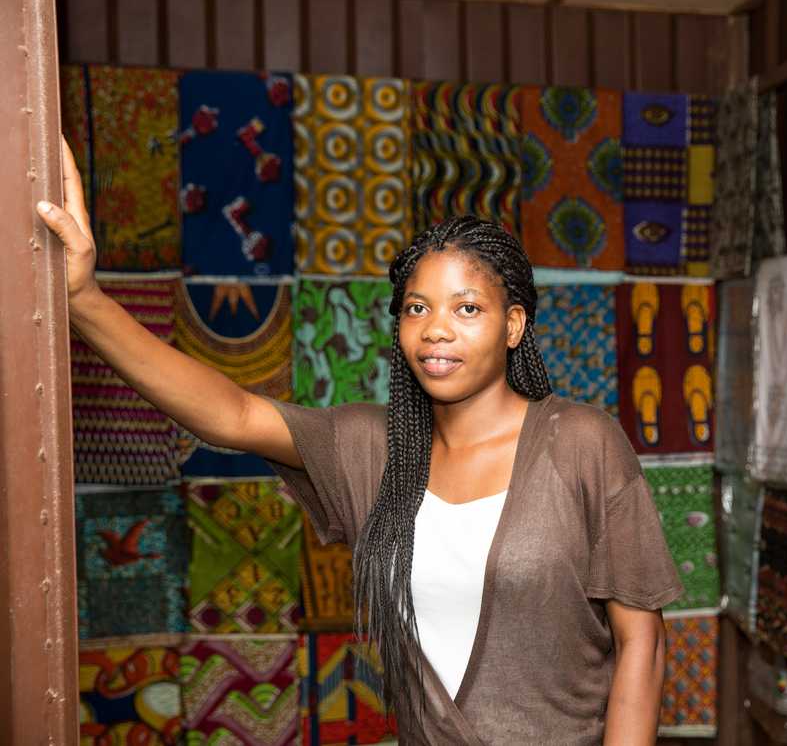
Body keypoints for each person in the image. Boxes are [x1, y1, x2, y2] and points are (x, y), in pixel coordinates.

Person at [39, 141, 683, 744]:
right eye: (415, 308)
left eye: (466, 309)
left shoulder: (580, 443)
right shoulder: (373, 449)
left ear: (513, 324)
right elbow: (229, 415)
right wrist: (83, 298)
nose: (435, 330)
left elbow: (642, 646)